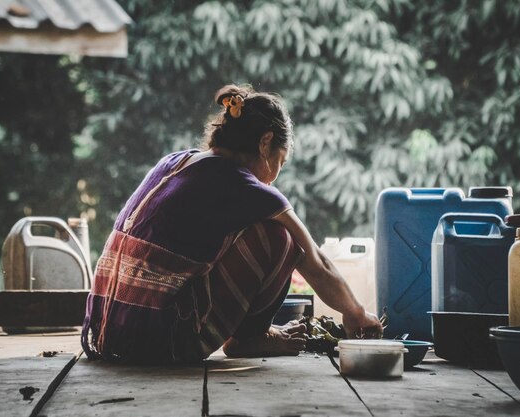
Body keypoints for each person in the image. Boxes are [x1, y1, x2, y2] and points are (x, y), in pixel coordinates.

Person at [81, 84, 382, 364]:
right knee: (281, 238)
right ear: (266, 143)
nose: (276, 174)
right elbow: (316, 263)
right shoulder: (243, 184)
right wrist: (355, 312)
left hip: (107, 333)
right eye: (281, 161)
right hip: (160, 341)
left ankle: (247, 333)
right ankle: (249, 338)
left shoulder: (174, 162)